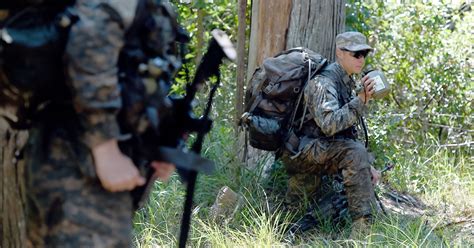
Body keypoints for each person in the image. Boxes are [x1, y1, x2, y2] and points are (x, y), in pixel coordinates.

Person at [0, 0, 178, 246]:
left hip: (88, 154)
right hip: (78, 159)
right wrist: (105, 149)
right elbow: (89, 40)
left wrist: (153, 145)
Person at [280, 31, 381, 232]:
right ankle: (362, 231)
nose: (361, 59)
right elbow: (329, 124)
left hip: (318, 149)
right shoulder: (324, 82)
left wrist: (366, 166)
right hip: (303, 151)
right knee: (355, 153)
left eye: (364, 54)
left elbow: (346, 133)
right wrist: (360, 101)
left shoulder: (346, 82)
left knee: (293, 214)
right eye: (355, 54)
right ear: (339, 53)